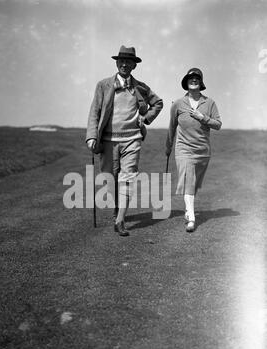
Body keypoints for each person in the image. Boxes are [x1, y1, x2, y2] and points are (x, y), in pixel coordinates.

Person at [86, 45, 163, 236]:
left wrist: (145, 119)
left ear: (134, 66)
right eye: (121, 61)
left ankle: (120, 220)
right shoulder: (103, 85)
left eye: (129, 62)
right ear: (116, 63)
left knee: (127, 178)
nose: (124, 64)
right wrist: (91, 136)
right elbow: (94, 112)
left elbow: (158, 103)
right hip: (108, 140)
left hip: (132, 139)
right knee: (110, 180)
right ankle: (117, 210)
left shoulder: (140, 87)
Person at [166, 68, 222, 232]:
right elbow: (171, 127)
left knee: (193, 184)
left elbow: (218, 125)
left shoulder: (209, 103)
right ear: (186, 82)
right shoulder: (177, 104)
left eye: (197, 78)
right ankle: (191, 217)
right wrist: (168, 146)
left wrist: (202, 117)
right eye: (191, 78)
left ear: (201, 82)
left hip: (203, 150)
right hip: (183, 149)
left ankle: (188, 208)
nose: (194, 80)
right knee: (189, 181)